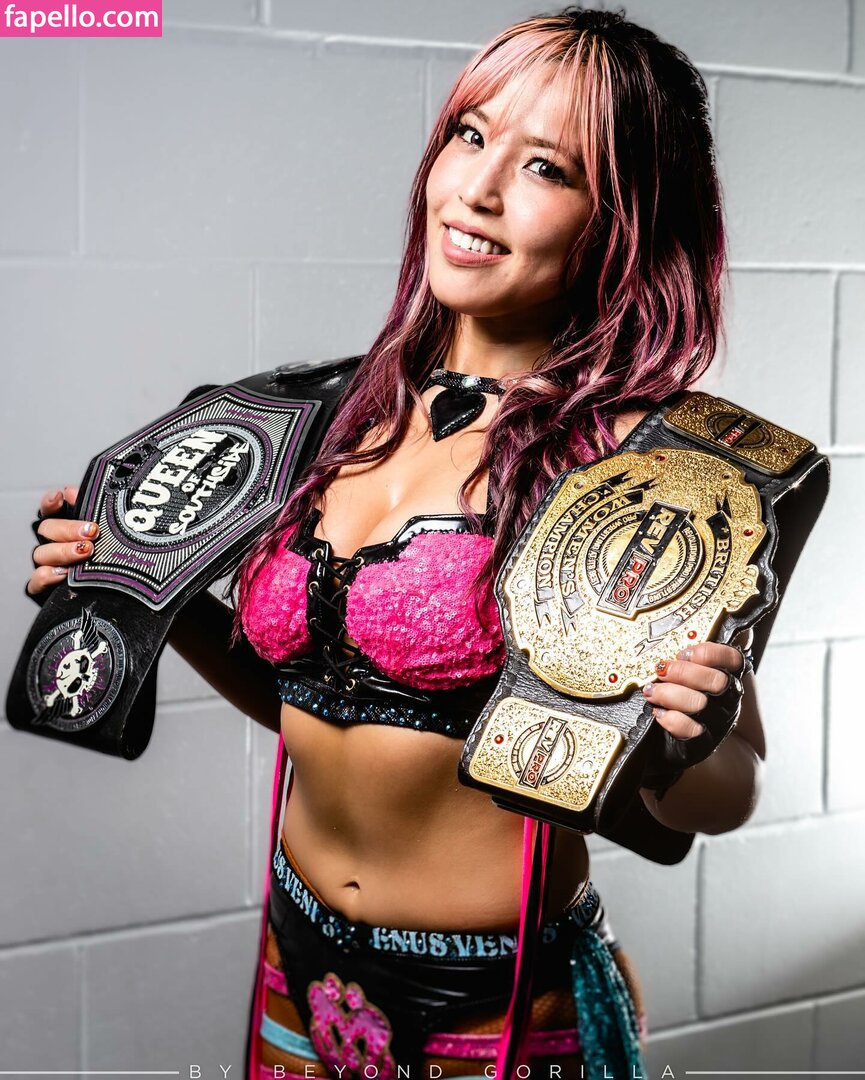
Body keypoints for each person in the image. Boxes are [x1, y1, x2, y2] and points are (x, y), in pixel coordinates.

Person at [26, 8, 766, 1078]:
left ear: (624, 220)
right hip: (300, 966)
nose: (477, 188)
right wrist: (151, 595)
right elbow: (320, 698)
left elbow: (724, 796)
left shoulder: (640, 472)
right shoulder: (325, 417)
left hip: (496, 1006)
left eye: (546, 167)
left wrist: (689, 737)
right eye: (469, 135)